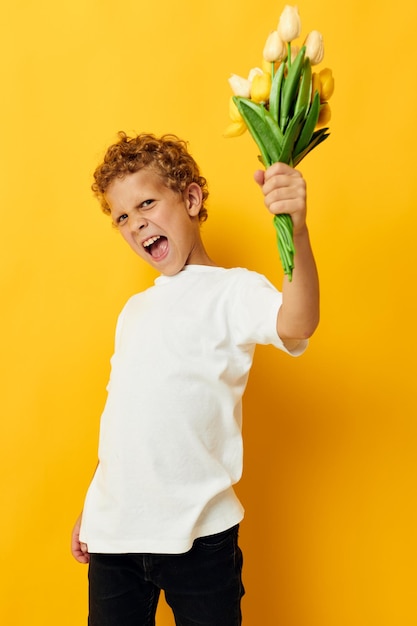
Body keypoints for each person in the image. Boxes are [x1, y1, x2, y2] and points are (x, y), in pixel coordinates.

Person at [71, 132, 319, 626]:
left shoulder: (232, 291)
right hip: (114, 535)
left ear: (189, 198)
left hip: (200, 536)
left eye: (146, 203)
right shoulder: (134, 311)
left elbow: (298, 321)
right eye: (122, 217)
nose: (136, 222)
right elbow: (121, 415)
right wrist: (93, 504)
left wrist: (297, 227)